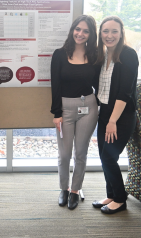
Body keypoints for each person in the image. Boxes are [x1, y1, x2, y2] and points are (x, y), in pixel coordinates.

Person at [51, 15, 98, 210]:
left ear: (90, 34)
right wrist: (56, 113)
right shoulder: (60, 54)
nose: (80, 33)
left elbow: (98, 84)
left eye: (85, 31)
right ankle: (64, 188)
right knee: (64, 154)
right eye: (78, 29)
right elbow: (55, 85)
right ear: (72, 30)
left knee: (81, 152)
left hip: (89, 106)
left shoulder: (95, 55)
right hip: (65, 109)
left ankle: (75, 190)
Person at [92, 16, 138, 214]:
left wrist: (112, 121)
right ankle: (111, 194)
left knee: (109, 156)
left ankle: (120, 199)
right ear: (100, 33)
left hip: (121, 115)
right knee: (104, 156)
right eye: (105, 31)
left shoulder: (128, 54)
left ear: (121, 33)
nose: (109, 35)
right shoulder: (102, 55)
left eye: (114, 31)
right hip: (104, 113)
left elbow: (125, 92)